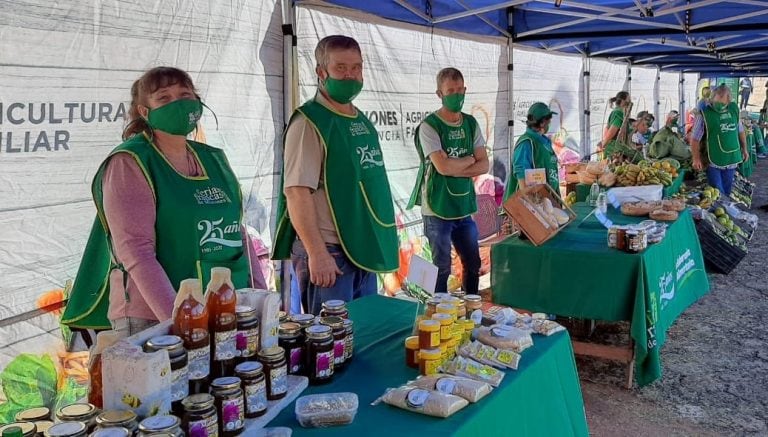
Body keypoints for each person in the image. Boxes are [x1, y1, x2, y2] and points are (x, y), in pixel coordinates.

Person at [62, 67, 264, 335]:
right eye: (164, 98)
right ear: (145, 112)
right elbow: (135, 250)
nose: (178, 103)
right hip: (155, 318)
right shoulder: (131, 162)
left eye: (184, 94)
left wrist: (260, 295)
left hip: (223, 306)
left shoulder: (214, 159)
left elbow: (235, 230)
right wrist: (181, 321)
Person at [272, 35, 398, 315]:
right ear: (321, 72)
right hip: (330, 253)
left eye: (356, 67)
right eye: (341, 68)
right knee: (330, 344)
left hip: (361, 248)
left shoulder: (362, 120)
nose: (350, 75)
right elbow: (296, 192)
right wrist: (316, 253)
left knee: (363, 333)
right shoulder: (310, 122)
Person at [407, 67, 488, 295]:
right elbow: (442, 166)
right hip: (437, 209)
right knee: (441, 269)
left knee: (473, 264)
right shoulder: (429, 126)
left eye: (459, 90)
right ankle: (437, 316)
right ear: (439, 94)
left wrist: (456, 167)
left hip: (463, 208)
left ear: (465, 90)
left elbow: (484, 164)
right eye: (450, 91)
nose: (456, 95)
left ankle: (471, 310)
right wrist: (469, 159)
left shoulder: (471, 124)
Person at [690, 84, 749, 196]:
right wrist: (696, 159)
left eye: (722, 103)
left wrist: (745, 149)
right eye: (717, 102)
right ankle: (718, 210)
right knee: (717, 191)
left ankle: (725, 210)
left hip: (731, 158)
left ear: (728, 101)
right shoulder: (704, 114)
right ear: (712, 98)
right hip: (713, 159)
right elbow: (695, 139)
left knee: (726, 191)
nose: (719, 106)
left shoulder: (733, 110)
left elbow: (740, 131)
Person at [506, 102, 559, 197]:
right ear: (542, 122)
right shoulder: (526, 144)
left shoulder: (545, 141)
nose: (550, 123)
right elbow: (523, 184)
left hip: (546, 199)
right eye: (549, 121)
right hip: (526, 206)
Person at [601, 91, 631, 157]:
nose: (630, 102)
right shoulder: (619, 113)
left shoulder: (615, 111)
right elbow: (613, 129)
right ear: (623, 101)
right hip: (614, 149)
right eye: (628, 99)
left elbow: (606, 128)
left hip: (613, 147)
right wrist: (603, 144)